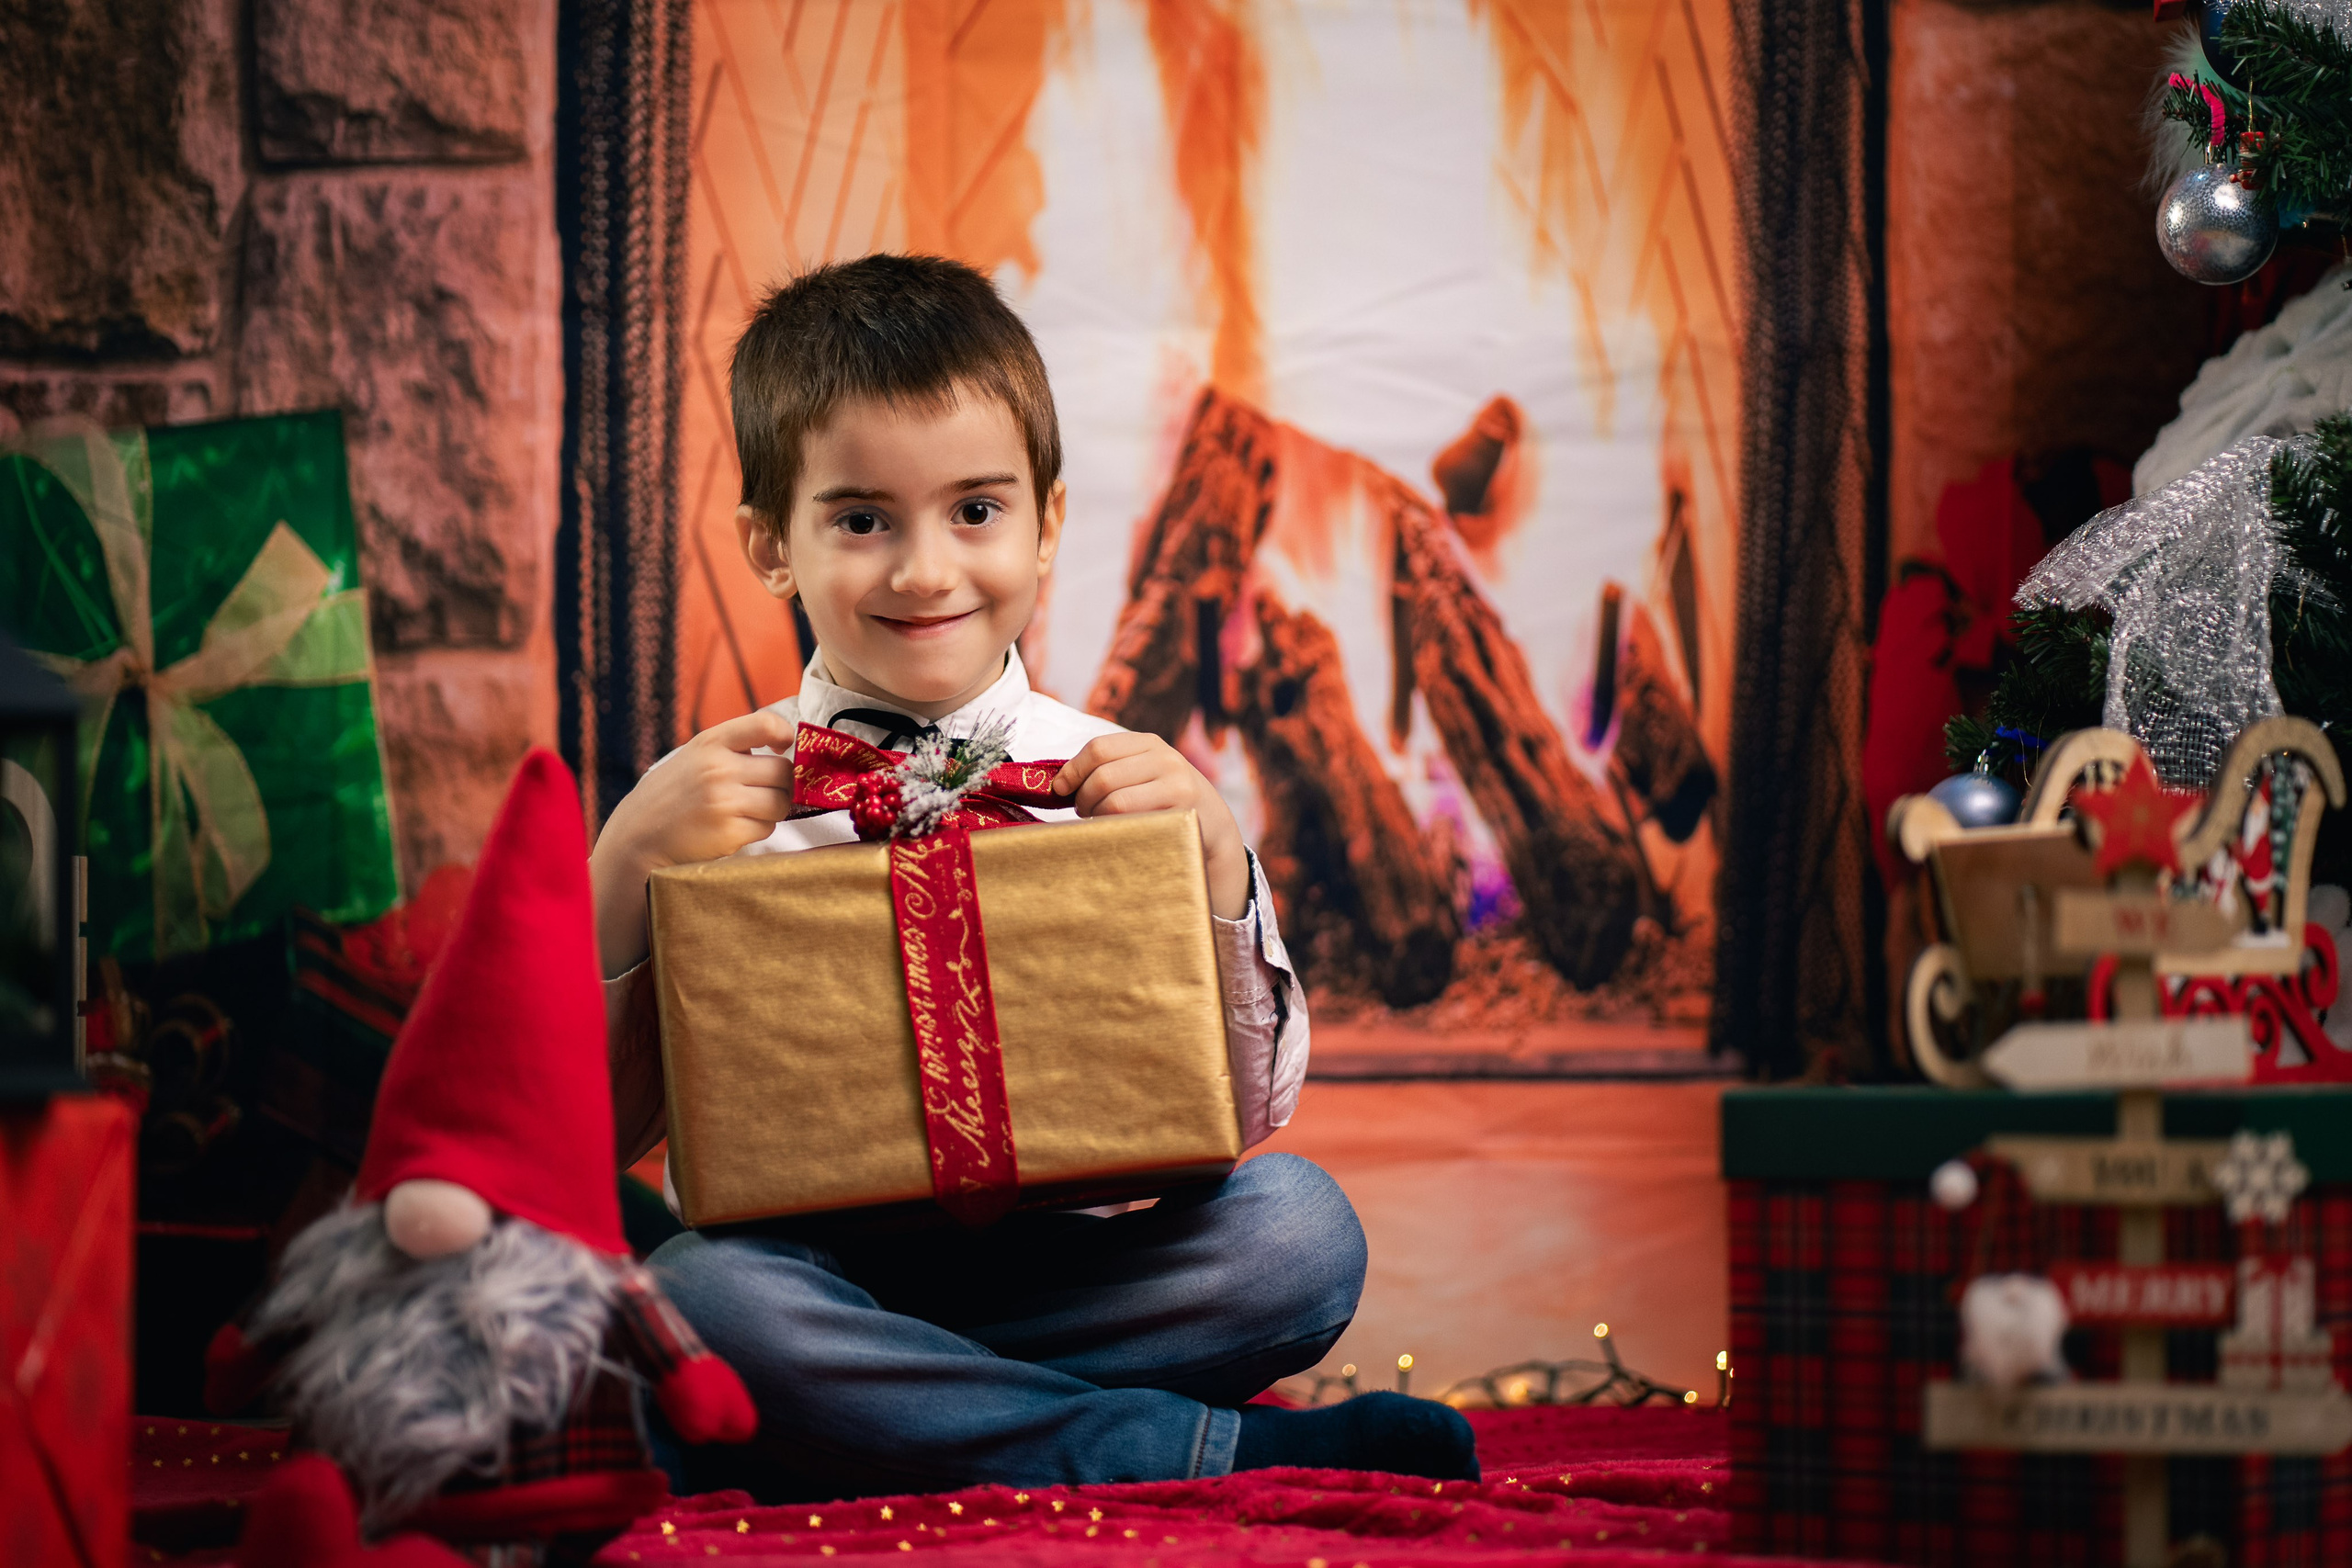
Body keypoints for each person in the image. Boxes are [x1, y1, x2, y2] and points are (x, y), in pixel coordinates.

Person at [590, 254, 1476, 1497]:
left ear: (1047, 525)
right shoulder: (708, 808)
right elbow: (595, 1143)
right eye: (860, 519)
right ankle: (1189, 1452)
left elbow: (1249, 1115)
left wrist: (1219, 868)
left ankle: (883, 1418)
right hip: (813, 1284)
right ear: (769, 544)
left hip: (1074, 1277)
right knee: (700, 1297)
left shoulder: (1116, 782)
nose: (923, 571)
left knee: (1302, 1234)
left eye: (974, 511)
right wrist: (621, 865)